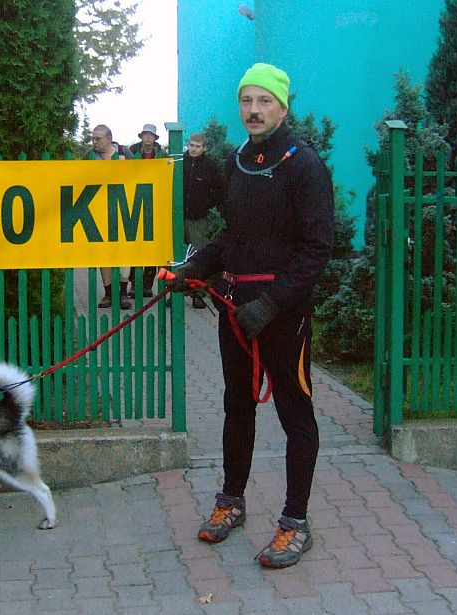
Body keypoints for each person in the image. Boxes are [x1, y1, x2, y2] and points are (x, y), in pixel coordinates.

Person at [167, 63, 334, 569]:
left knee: (294, 414)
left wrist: (273, 303)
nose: (254, 110)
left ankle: (295, 522)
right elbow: (232, 235)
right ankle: (232, 500)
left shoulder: (304, 165)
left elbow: (317, 250)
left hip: (282, 313)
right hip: (236, 309)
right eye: (246, 100)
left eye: (264, 101)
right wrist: (194, 267)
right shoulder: (239, 162)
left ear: (283, 107)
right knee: (236, 405)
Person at [85, 124, 134, 309]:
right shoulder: (89, 156)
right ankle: (108, 293)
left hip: (122, 209)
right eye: (93, 138)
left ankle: (123, 293)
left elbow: (137, 176)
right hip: (98, 210)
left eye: (98, 138)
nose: (94, 142)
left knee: (124, 251)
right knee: (102, 252)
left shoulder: (124, 153)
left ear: (109, 138)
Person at [183, 132, 224, 308]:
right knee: (175, 256)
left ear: (204, 148)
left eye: (197, 146)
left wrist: (206, 204)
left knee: (198, 255)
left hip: (198, 218)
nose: (193, 149)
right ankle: (174, 293)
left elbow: (219, 189)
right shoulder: (180, 163)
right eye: (191, 145)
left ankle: (197, 294)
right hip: (177, 216)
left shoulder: (209, 166)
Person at [128, 124, 168, 298]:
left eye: (151, 135)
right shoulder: (132, 152)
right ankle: (134, 284)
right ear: (141, 136)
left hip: (156, 202)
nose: (148, 138)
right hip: (135, 201)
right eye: (146, 135)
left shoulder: (162, 154)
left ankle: (147, 285)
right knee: (136, 246)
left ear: (155, 138)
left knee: (153, 247)